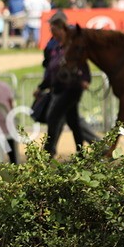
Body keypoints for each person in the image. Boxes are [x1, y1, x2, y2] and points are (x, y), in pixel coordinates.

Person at [38, 12, 93, 157]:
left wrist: (85, 79)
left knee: (53, 117)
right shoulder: (55, 48)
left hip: (71, 88)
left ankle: (48, 152)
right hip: (58, 88)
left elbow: (83, 64)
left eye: (54, 30)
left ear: (62, 29)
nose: (52, 34)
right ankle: (80, 153)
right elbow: (51, 70)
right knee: (73, 121)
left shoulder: (71, 47)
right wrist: (41, 87)